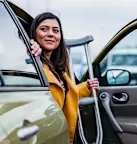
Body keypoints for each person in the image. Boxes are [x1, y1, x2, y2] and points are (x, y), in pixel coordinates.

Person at [30, 12, 99, 143]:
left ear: (60, 37)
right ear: (34, 34)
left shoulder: (57, 69)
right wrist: (29, 51)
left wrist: (86, 87)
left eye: (56, 31)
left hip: (60, 134)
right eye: (44, 29)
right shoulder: (32, 63)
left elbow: (64, 94)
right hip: (43, 135)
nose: (50, 34)